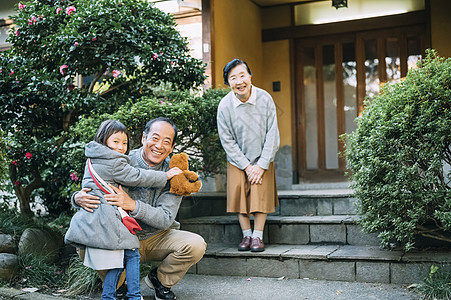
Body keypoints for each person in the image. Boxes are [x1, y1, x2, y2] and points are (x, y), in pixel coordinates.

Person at [72, 117, 206, 300]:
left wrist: (132, 205)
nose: (159, 145)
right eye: (155, 138)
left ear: (172, 147)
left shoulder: (174, 174)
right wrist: (77, 197)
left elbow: (166, 218)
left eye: (166, 142)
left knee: (195, 245)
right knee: (86, 244)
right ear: (144, 138)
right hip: (119, 235)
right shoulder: (120, 159)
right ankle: (119, 286)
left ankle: (160, 280)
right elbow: (92, 183)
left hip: (156, 236)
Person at [217, 59, 280, 253]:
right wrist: (246, 165)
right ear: (228, 83)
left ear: (250, 76)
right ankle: (246, 234)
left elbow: (272, 133)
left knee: (260, 194)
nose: (239, 81)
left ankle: (258, 237)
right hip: (237, 160)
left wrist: (260, 165)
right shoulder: (225, 106)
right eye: (233, 78)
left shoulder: (265, 98)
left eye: (242, 75)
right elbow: (227, 140)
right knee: (240, 198)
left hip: (263, 157)